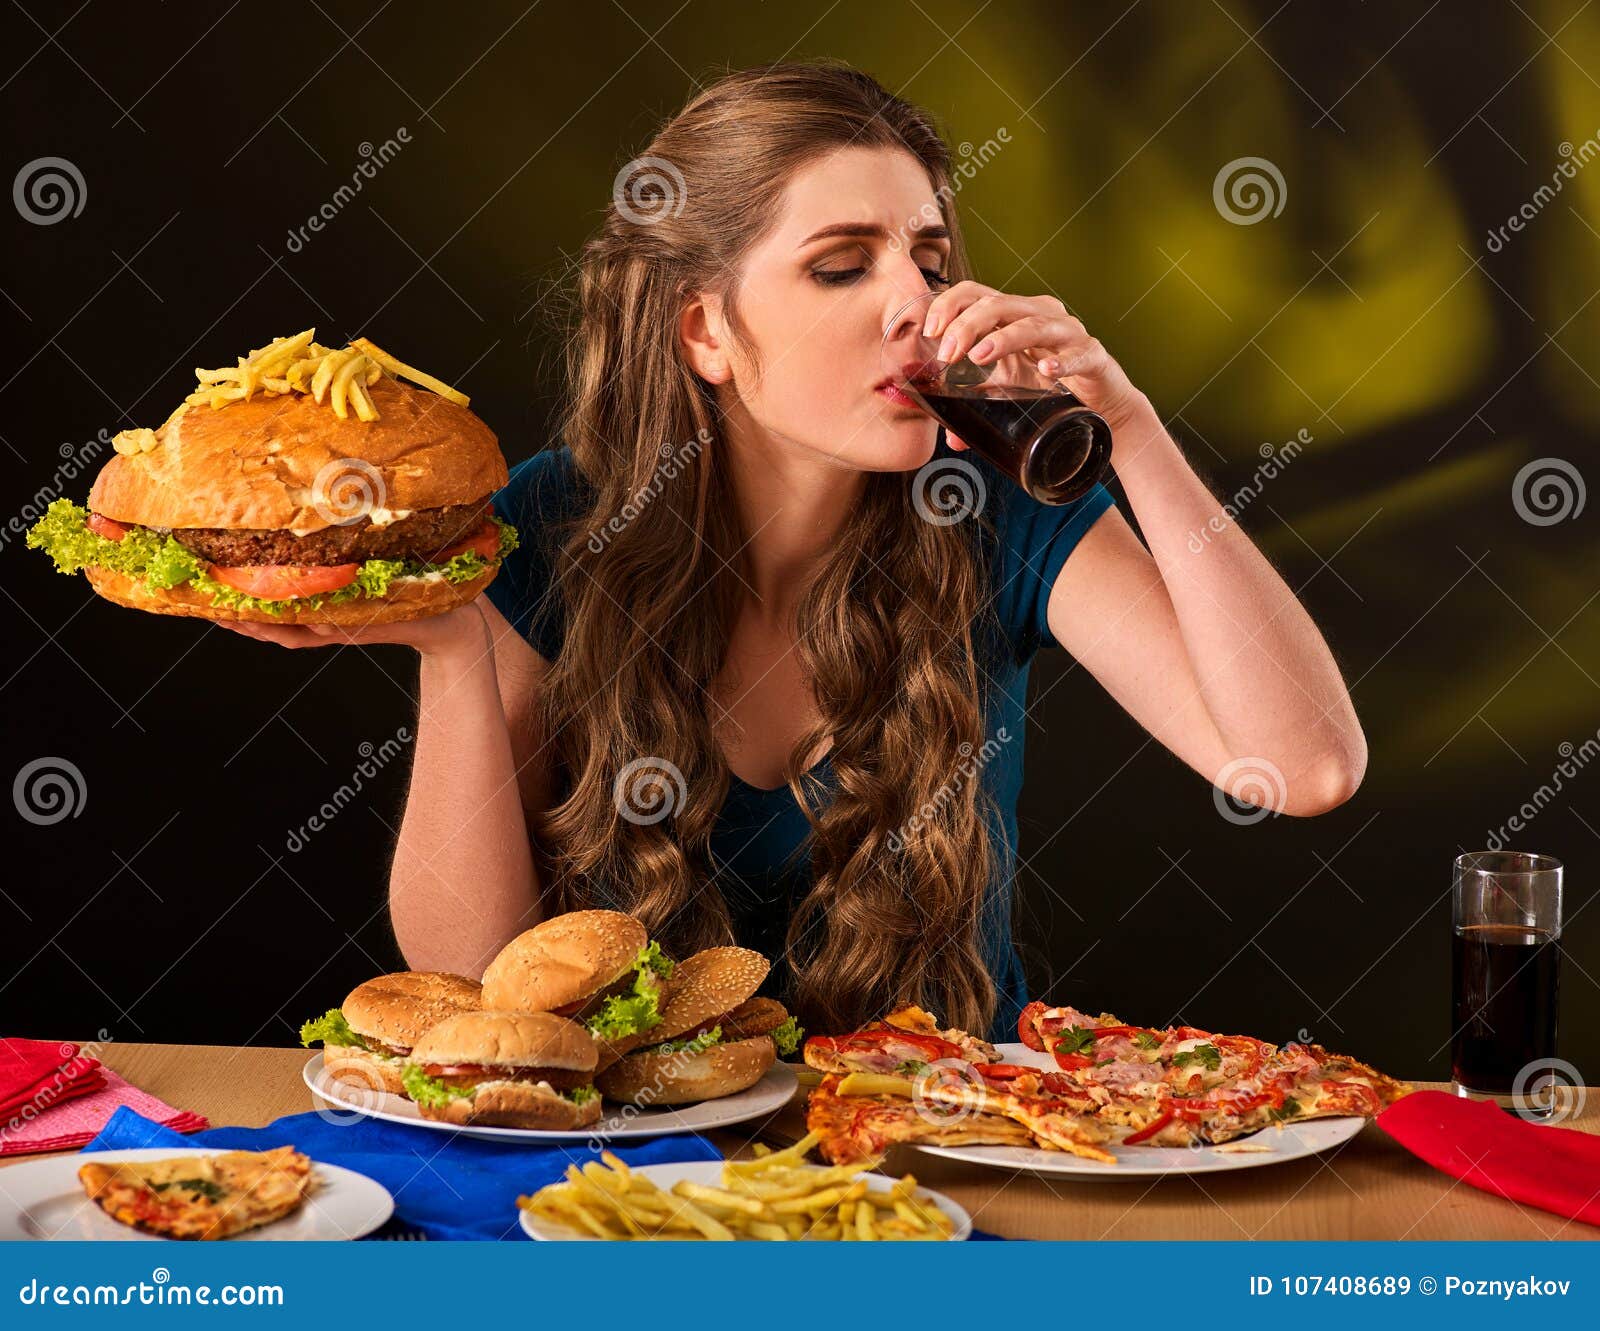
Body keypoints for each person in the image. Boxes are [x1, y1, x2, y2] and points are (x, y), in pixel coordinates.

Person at [223, 62, 1365, 1045]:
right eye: (841, 264)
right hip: (634, 1174)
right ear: (704, 329)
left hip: (946, 1153)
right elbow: (474, 976)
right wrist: (450, 645)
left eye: (927, 255)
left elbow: (1302, 766)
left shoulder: (999, 505)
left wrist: (1129, 427)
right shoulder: (554, 522)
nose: (916, 302)